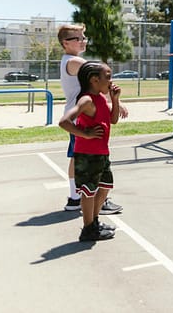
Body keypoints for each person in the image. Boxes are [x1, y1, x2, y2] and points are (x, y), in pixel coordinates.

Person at [57, 24, 124, 215]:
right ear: (65, 43)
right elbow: (99, 78)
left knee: (78, 157)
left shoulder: (71, 60)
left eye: (83, 37)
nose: (83, 41)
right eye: (78, 38)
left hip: (85, 113)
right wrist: (115, 100)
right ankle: (93, 201)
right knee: (92, 159)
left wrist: (112, 103)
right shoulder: (74, 61)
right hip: (82, 116)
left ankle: (75, 197)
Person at [59, 61, 121, 241]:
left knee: (104, 187)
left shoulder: (101, 98)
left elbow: (113, 120)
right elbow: (64, 121)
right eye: (108, 77)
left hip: (102, 152)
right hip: (88, 154)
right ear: (94, 80)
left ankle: (94, 222)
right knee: (89, 191)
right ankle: (88, 229)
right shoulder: (86, 100)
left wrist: (114, 99)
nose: (111, 81)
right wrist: (84, 134)